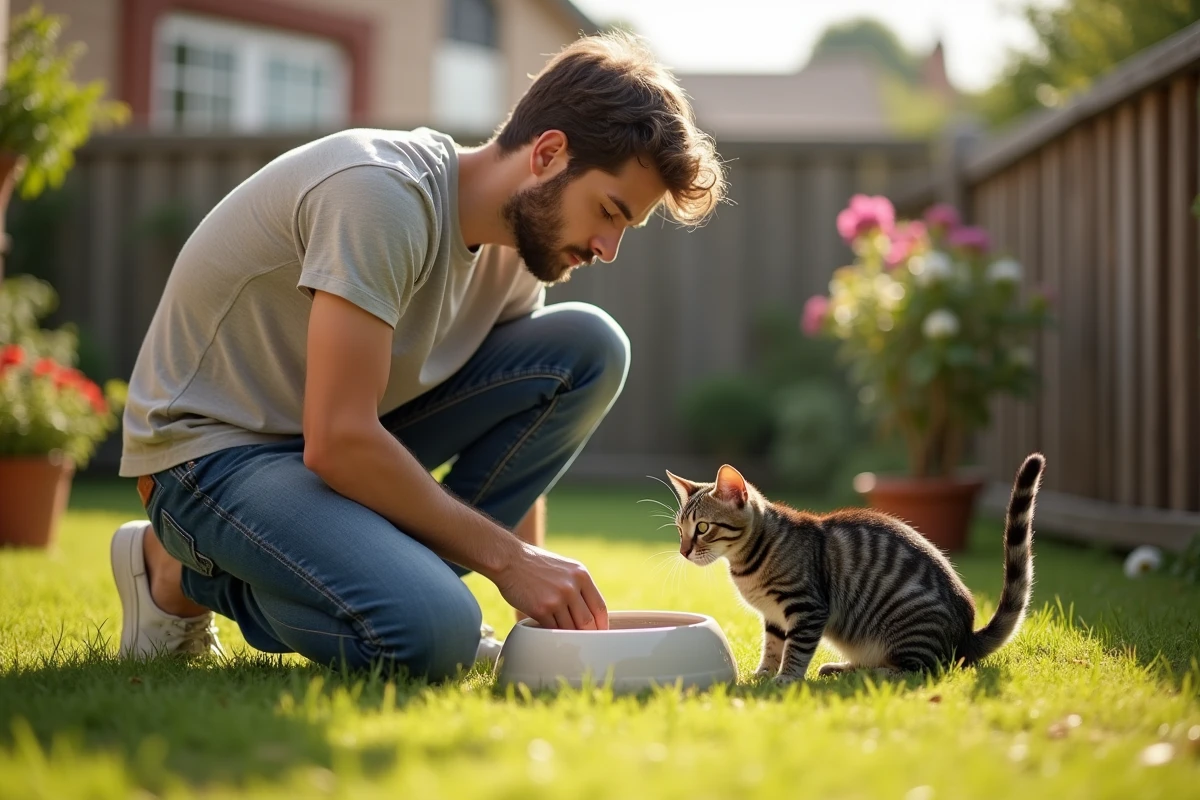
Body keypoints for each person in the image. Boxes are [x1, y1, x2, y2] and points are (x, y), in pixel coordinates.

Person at [107, 31, 726, 681]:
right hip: (209, 458)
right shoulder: (380, 195)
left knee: (590, 346)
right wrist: (509, 563)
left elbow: (523, 428)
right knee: (435, 637)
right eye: (608, 211)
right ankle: (179, 569)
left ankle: (376, 575)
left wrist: (540, 625)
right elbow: (339, 440)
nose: (607, 248)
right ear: (547, 154)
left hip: (323, 451)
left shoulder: (519, 255)